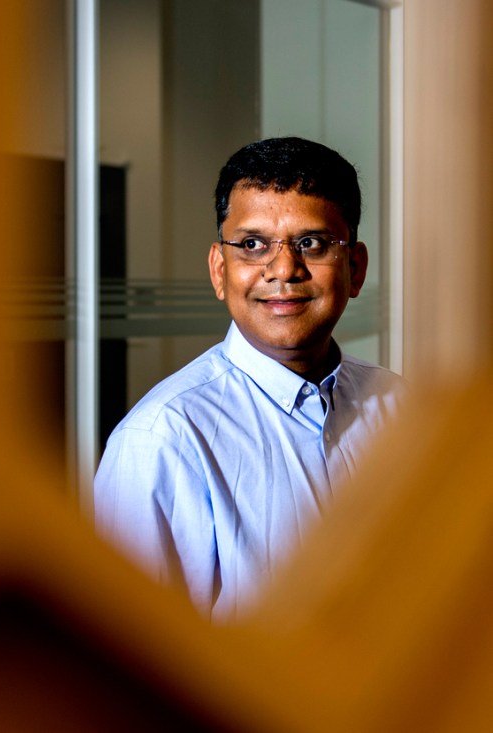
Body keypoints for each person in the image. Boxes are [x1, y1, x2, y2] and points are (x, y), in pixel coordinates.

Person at [94, 137, 405, 621]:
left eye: (313, 243)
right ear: (220, 270)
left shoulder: (403, 409)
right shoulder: (163, 439)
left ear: (356, 268)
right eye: (253, 245)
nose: (283, 269)